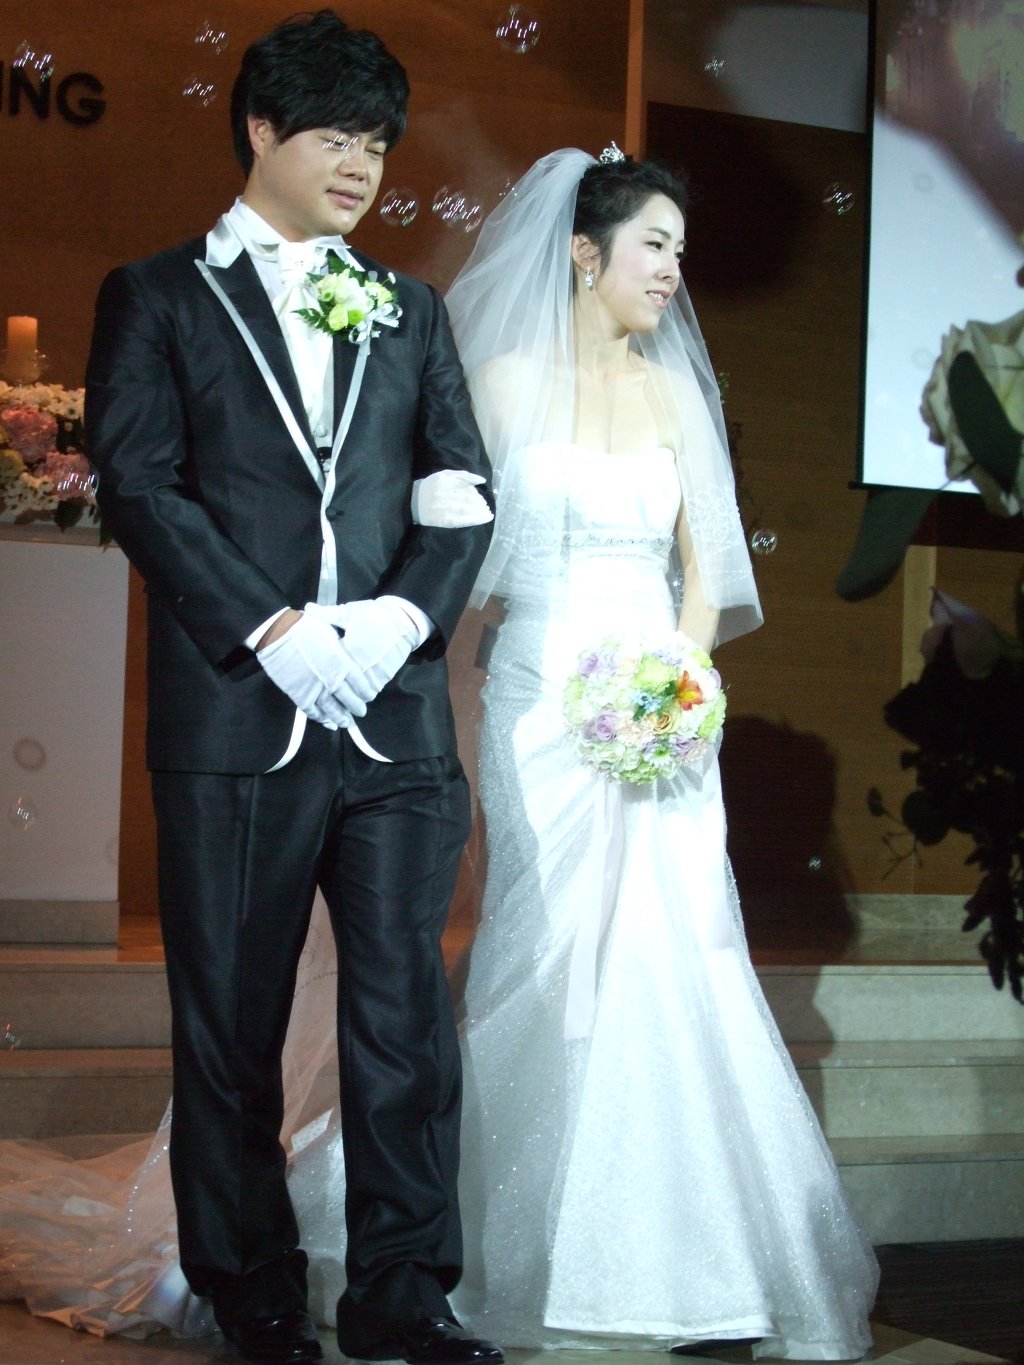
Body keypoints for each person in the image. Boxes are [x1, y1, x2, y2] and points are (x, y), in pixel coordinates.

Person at [80, 11, 498, 1365]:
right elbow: (140, 485)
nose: (363, 164)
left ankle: (403, 1292)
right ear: (261, 129)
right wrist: (270, 629)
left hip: (393, 724)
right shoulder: (157, 295)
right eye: (336, 136)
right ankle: (252, 1288)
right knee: (230, 1028)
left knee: (404, 1024)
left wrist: (399, 620)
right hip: (236, 721)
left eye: (377, 141)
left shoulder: (409, 308)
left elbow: (460, 486)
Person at [436, 148, 880, 1359]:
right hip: (536, 695)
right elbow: (462, 567)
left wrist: (676, 682)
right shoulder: (502, 380)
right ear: (584, 253)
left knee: (672, 947)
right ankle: (509, 1234)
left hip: (658, 701)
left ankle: (688, 1257)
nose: (673, 271)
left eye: (681, 250)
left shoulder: (678, 394)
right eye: (654, 246)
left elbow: (706, 571)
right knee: (544, 942)